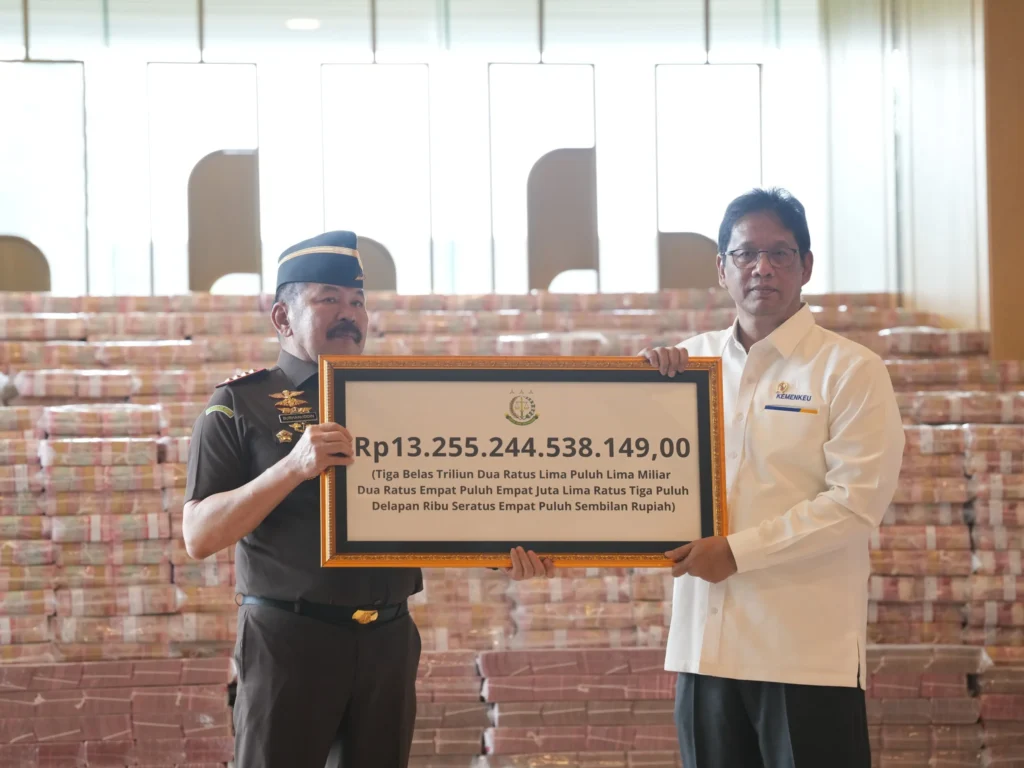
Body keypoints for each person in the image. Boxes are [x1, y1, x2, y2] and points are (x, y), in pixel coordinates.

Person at [182, 231, 553, 768]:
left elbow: (439, 503)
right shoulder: (239, 404)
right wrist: (292, 467)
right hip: (290, 641)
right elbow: (199, 535)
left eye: (357, 302)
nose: (349, 314)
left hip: (388, 641)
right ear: (282, 317)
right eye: (329, 299)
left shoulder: (397, 403)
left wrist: (502, 552)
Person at [642, 188, 904, 767]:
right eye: (745, 254)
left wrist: (737, 553)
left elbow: (854, 504)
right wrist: (638, 392)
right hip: (705, 652)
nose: (762, 267)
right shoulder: (687, 365)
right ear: (722, 268)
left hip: (804, 656)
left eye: (780, 253)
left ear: (805, 266)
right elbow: (629, 477)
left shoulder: (849, 370)